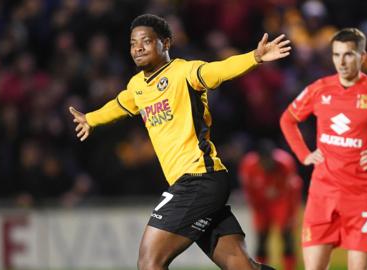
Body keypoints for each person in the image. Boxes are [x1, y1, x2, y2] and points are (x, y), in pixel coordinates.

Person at [68, 14, 291, 270]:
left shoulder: (184, 72)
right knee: (242, 267)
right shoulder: (138, 86)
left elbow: (217, 71)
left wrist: (254, 57)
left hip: (197, 179)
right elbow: (120, 104)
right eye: (132, 43)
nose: (137, 48)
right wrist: (91, 119)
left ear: (166, 43)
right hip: (201, 184)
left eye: (146, 41)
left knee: (150, 262)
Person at [280, 28, 367, 270]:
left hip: (361, 197)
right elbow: (287, 119)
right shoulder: (320, 88)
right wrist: (304, 155)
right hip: (321, 195)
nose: (341, 61)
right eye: (336, 55)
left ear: (361, 57)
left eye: (348, 55)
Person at [238, 139, 302, 270]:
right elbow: (248, 189)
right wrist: (255, 208)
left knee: (287, 237)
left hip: (281, 203)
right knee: (262, 238)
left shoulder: (285, 162)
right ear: (259, 158)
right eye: (264, 160)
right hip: (261, 204)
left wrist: (292, 213)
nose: (267, 164)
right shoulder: (249, 165)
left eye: (269, 159)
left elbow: (294, 189)